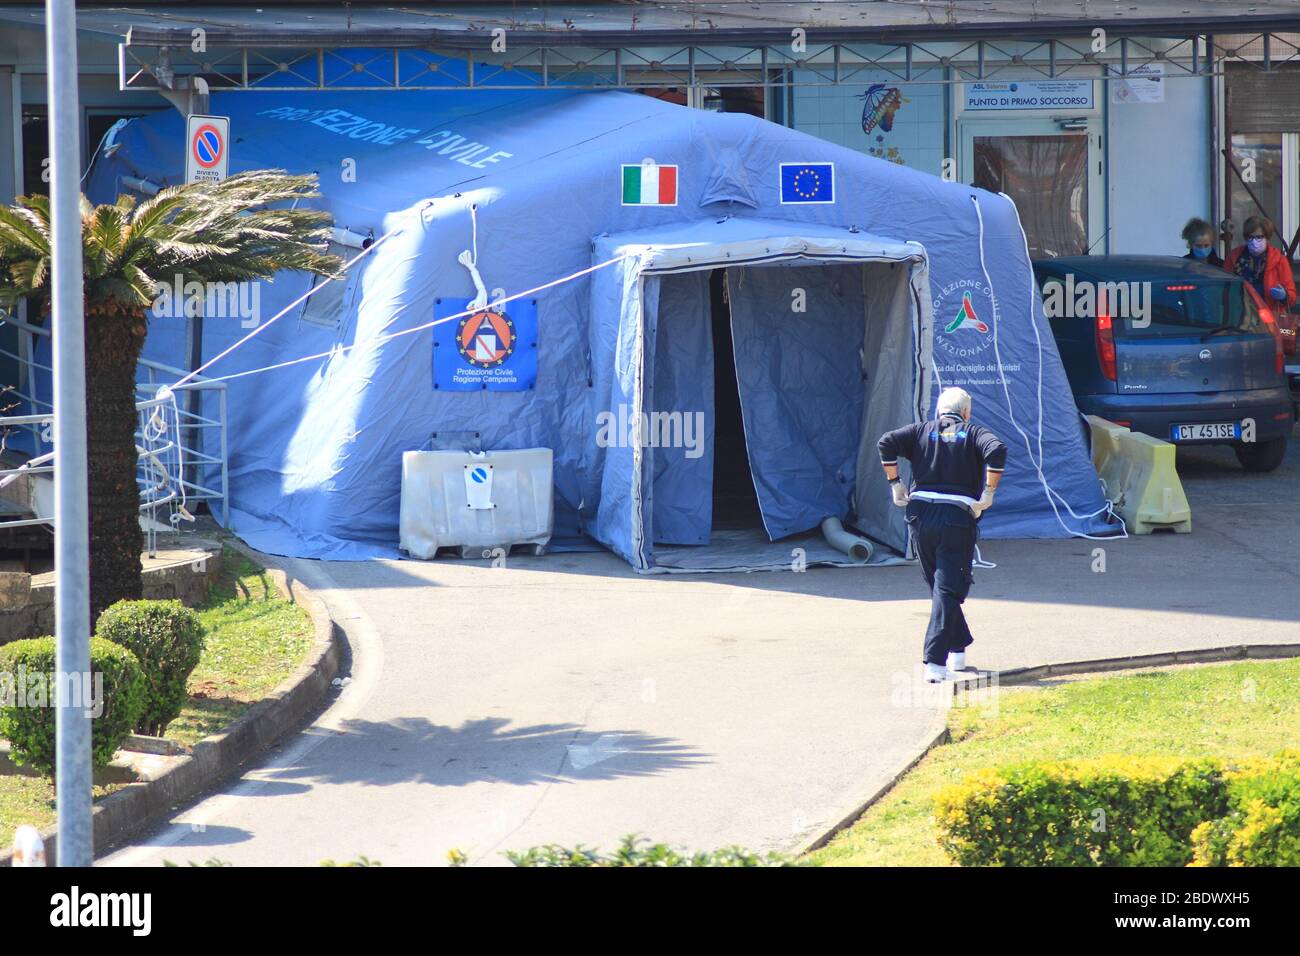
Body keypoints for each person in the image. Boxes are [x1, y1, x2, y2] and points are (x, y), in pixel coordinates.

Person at [878, 387, 1007, 684]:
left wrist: (895, 484)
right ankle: (935, 661)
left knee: (939, 584)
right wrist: (988, 493)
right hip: (955, 518)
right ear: (966, 413)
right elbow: (997, 450)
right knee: (947, 588)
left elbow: (886, 442)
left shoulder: (921, 430)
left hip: (920, 515)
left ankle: (958, 647)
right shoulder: (973, 433)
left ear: (938, 412)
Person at [1224, 216, 1296, 310]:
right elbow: (1224, 287)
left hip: (1269, 315)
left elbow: (1292, 297)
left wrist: (1284, 295)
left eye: (1259, 237)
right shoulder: (1234, 257)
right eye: (1251, 237)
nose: (1254, 241)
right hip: (1240, 313)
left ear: (1267, 237)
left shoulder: (1279, 260)